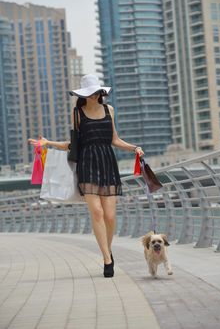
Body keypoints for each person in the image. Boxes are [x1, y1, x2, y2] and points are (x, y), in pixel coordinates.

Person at [29, 74, 144, 277]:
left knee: (110, 216)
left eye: (97, 92)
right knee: (97, 213)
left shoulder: (109, 110)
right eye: (90, 93)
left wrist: (134, 148)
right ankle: (107, 260)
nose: (95, 95)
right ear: (84, 95)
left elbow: (114, 139)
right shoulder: (77, 113)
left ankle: (108, 250)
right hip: (87, 164)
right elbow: (73, 144)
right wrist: (49, 143)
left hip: (108, 163)